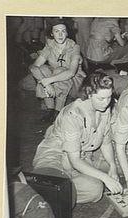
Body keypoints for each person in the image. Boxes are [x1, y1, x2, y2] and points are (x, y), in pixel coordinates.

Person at [32, 71, 123, 204]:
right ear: (88, 94)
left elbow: (106, 142)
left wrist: (112, 166)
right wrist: (105, 177)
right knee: (53, 181)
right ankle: (50, 190)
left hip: (82, 159)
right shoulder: (73, 114)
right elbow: (74, 160)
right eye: (101, 99)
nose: (106, 103)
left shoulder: (105, 109)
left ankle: (56, 192)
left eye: (109, 97)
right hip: (56, 158)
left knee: (95, 190)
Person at [29, 17, 86, 123]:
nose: (60, 35)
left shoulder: (74, 47)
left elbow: (71, 73)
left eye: (63, 31)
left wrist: (48, 81)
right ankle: (50, 109)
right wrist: (47, 84)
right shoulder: (50, 46)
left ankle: (57, 111)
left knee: (60, 70)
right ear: (51, 34)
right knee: (43, 69)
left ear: (67, 33)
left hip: (75, 83)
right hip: (56, 82)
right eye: (56, 31)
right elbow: (34, 67)